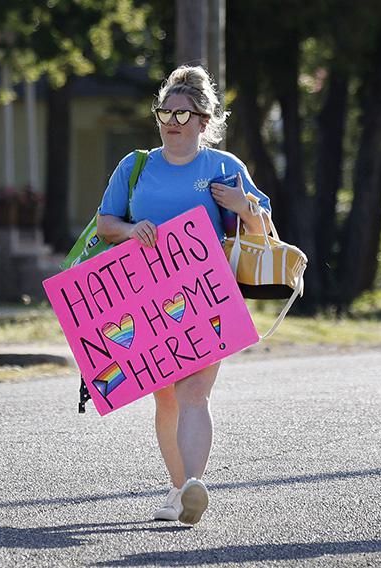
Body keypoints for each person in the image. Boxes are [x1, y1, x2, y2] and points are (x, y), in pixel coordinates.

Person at [96, 65, 271, 525]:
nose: (172, 122)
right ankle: (179, 490)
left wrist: (243, 206)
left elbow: (263, 229)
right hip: (144, 298)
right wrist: (134, 230)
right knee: (165, 398)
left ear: (204, 121)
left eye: (183, 114)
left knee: (194, 392)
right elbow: (106, 224)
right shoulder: (136, 166)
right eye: (166, 113)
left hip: (207, 297)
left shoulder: (225, 167)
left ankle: (193, 484)